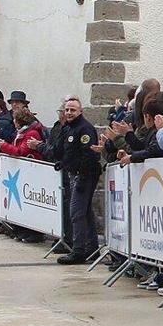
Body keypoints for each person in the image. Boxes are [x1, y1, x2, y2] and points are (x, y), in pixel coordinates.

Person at [48, 97, 102, 264]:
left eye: (73, 110)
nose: (69, 113)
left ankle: (78, 251)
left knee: (76, 212)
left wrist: (82, 177)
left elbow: (89, 155)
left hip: (84, 176)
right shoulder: (68, 128)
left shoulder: (84, 129)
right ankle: (92, 248)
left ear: (80, 112)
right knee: (85, 212)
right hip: (73, 173)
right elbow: (61, 151)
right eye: (67, 110)